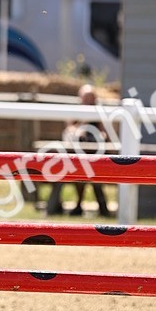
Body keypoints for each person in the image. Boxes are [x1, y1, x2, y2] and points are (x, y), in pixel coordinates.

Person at [45, 84, 111, 218]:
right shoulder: (75, 112)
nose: (88, 102)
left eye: (91, 98)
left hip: (94, 159)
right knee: (72, 171)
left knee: (90, 173)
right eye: (86, 98)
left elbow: (105, 135)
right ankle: (66, 206)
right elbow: (68, 130)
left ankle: (86, 205)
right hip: (74, 160)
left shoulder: (98, 114)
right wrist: (80, 126)